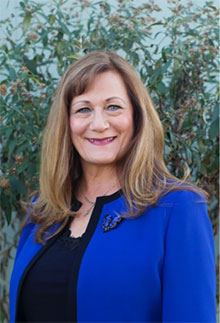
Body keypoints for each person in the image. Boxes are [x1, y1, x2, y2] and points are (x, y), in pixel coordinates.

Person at [10, 51, 216, 323]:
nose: (99, 124)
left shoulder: (177, 208)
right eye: (83, 109)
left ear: (137, 117)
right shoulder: (41, 213)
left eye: (113, 107)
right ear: (66, 123)